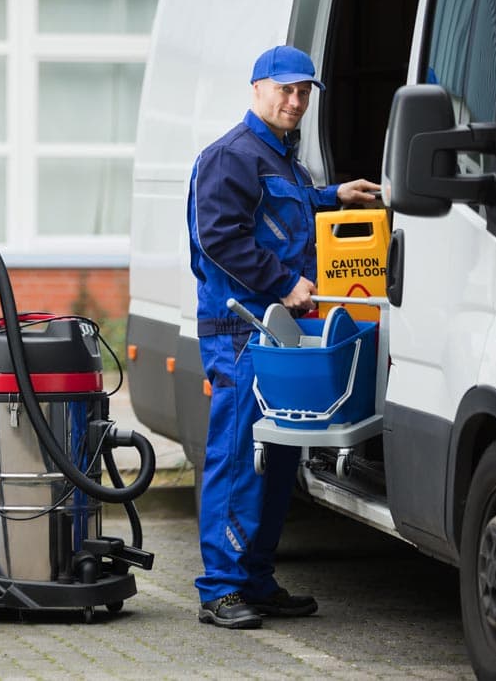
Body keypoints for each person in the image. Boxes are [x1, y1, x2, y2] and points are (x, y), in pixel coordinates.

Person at [187, 45, 380, 629]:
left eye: (303, 93)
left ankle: (257, 579)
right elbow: (220, 237)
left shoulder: (284, 163)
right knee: (239, 456)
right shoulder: (229, 156)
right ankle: (219, 587)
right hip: (241, 333)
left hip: (280, 333)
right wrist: (282, 283)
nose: (295, 101)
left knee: (277, 457)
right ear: (257, 89)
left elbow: (284, 213)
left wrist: (333, 196)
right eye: (284, 90)